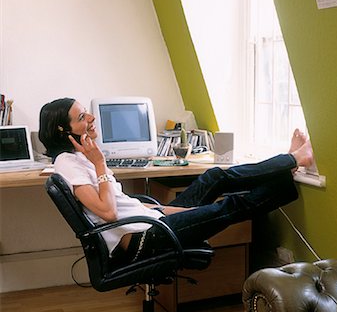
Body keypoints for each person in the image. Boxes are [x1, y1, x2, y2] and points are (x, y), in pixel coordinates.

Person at [39, 98, 314, 264]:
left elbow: (130, 207)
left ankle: (287, 162)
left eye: (87, 112)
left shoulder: (82, 158)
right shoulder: (68, 163)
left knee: (214, 177)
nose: (91, 118)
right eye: (82, 116)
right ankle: (292, 164)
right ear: (64, 130)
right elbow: (110, 213)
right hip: (143, 238)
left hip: (150, 218)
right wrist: (100, 164)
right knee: (228, 207)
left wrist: (187, 212)